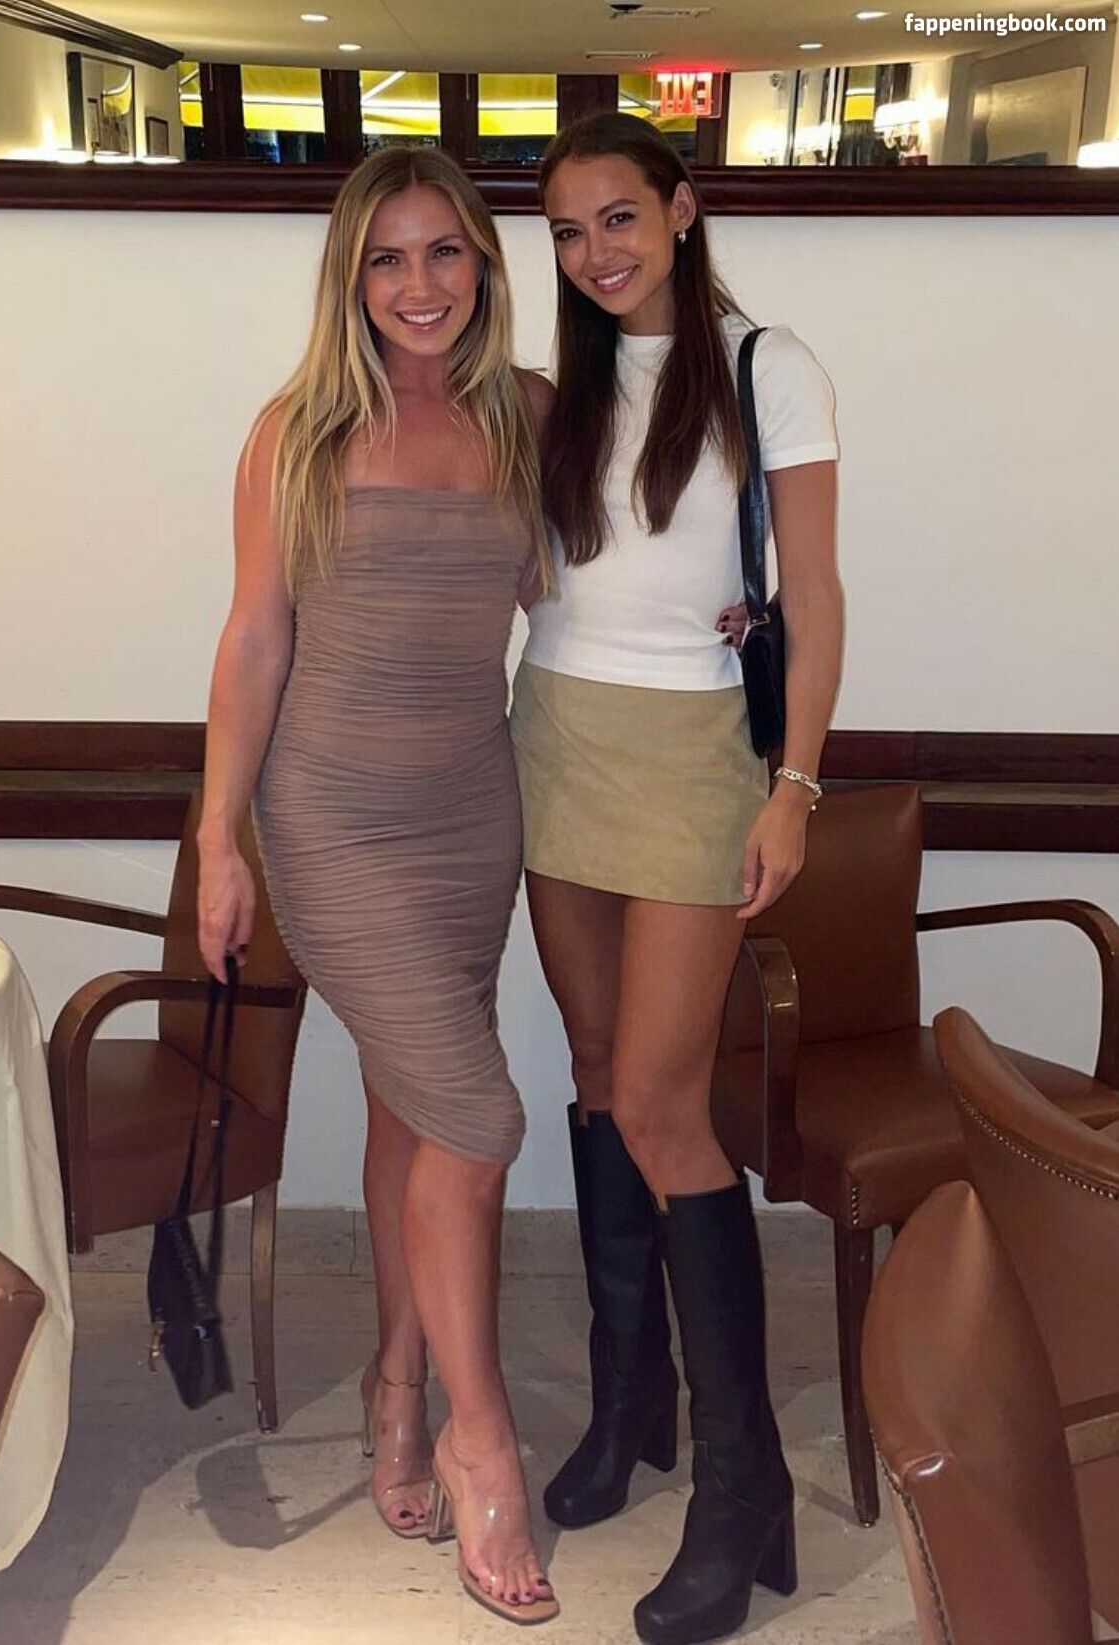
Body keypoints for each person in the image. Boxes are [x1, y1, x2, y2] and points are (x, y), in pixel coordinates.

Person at [196, 146, 559, 1627]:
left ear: (483, 264)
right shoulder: (296, 430)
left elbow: (578, 591)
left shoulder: (529, 415)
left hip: (472, 812)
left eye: (446, 252)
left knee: (418, 1110)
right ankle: (484, 1438)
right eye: (388, 258)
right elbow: (254, 641)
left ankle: (399, 1381)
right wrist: (219, 837)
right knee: (480, 1115)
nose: (420, 285)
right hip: (333, 818)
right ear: (351, 277)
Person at [511, 113, 843, 1645]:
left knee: (662, 1103)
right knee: (595, 1072)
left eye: (621, 218)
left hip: (699, 757)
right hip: (555, 736)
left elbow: (814, 591)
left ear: (684, 208)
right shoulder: (557, 393)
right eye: (569, 232)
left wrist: (796, 787)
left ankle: (740, 1480)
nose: (597, 253)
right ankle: (628, 1403)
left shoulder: (772, 368)